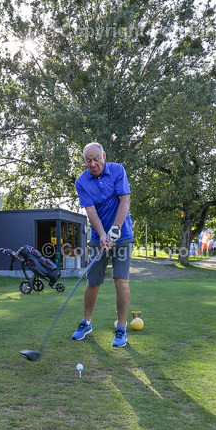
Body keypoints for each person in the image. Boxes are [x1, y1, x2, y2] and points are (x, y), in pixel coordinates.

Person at [70, 142, 133, 348]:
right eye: (88, 161)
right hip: (99, 239)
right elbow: (91, 211)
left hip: (122, 236)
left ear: (103, 156)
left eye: (96, 159)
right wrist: (103, 235)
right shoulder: (81, 181)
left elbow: (125, 199)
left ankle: (121, 328)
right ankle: (86, 323)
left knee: (120, 281)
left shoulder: (117, 170)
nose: (93, 164)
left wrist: (114, 229)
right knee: (93, 282)